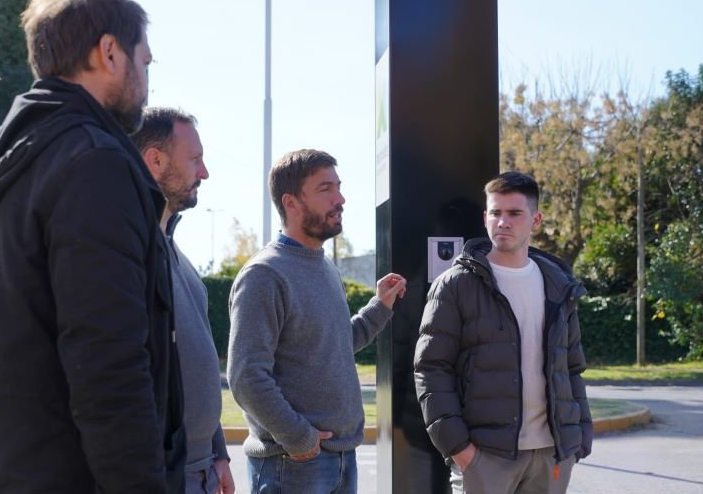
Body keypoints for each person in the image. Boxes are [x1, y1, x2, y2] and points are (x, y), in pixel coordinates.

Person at [0, 0, 186, 492]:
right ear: (109, 52)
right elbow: (107, 363)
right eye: (144, 61)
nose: (147, 81)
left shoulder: (13, 158)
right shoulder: (94, 163)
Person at [228, 149, 407, 493]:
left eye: (338, 187)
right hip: (292, 463)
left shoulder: (325, 267)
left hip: (339, 457)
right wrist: (299, 437)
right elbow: (246, 376)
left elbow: (336, 345)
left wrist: (380, 306)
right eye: (326, 189)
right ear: (291, 202)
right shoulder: (264, 274)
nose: (340, 199)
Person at [414, 171, 592, 494]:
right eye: (496, 212)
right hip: (484, 457)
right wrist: (459, 448)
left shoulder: (559, 286)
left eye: (514, 213)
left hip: (551, 454)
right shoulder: (455, 284)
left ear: (535, 220)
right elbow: (431, 368)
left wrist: (578, 437)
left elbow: (571, 367)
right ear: (485, 218)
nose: (503, 222)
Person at [132, 107, 235, 494]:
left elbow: (196, 366)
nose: (204, 173)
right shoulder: (130, 257)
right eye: (195, 159)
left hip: (202, 470)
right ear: (155, 161)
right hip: (162, 474)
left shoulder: (178, 256)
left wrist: (218, 452)